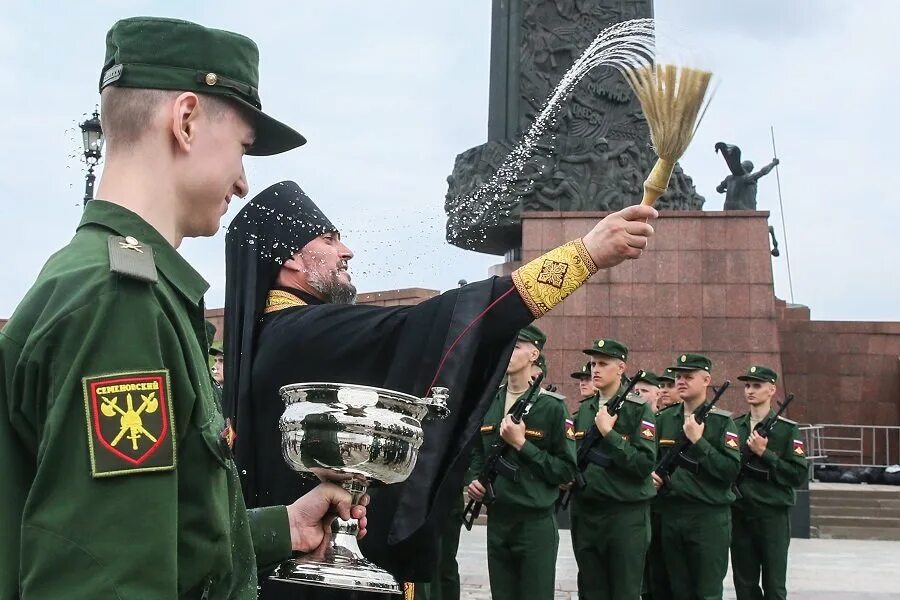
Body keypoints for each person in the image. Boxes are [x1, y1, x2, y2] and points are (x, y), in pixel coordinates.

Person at [0, 17, 368, 599]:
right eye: (243, 149)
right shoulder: (117, 302)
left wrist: (282, 528)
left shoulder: (105, 283)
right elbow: (108, 581)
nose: (244, 182)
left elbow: (144, 533)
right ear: (187, 120)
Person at [223, 182, 657, 596]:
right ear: (292, 259)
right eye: (330, 240)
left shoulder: (278, 333)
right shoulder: (303, 332)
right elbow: (445, 325)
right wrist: (586, 255)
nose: (347, 251)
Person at [466, 325, 576, 600]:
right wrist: (475, 479)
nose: (507, 351)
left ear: (533, 354)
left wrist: (522, 445)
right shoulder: (491, 400)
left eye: (515, 346)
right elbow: (478, 452)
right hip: (499, 519)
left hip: (535, 522)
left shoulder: (551, 407)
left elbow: (566, 470)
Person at [570, 339, 656, 600]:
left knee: (624, 592)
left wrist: (610, 434)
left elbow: (644, 464)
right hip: (587, 513)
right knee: (591, 591)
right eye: (593, 363)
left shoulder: (638, 409)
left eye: (603, 364)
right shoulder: (583, 411)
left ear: (621, 368)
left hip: (625, 515)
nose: (595, 369)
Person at [652, 354, 740, 600]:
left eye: (688, 377)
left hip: (707, 518)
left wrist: (699, 442)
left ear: (706, 380)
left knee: (706, 592)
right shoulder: (664, 419)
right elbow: (651, 460)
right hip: (671, 514)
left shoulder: (722, 423)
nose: (681, 381)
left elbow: (730, 471)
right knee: (675, 590)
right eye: (678, 376)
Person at [731, 366, 807, 600]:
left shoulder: (787, 430)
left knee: (774, 584)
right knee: (745, 583)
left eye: (757, 385)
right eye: (747, 386)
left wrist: (765, 454)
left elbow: (797, 475)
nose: (750, 391)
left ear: (771, 390)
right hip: (741, 512)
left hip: (772, 513)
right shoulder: (735, 426)